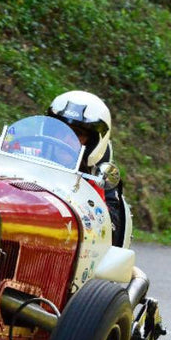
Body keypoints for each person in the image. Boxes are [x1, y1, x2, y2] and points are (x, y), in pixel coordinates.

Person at [47, 90, 127, 247]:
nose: (65, 138)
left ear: (92, 142)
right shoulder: (29, 156)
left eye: (76, 133)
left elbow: (110, 234)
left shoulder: (102, 179)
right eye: (60, 128)